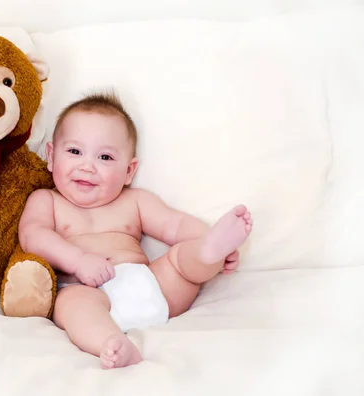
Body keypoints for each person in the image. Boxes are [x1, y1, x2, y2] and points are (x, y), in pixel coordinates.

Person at [18, 92, 253, 369]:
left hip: (153, 286)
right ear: (51, 155)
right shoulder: (47, 201)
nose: (87, 166)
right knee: (70, 305)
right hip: (88, 290)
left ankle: (208, 250)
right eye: (74, 152)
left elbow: (174, 224)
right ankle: (110, 342)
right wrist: (77, 260)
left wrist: (203, 239)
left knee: (179, 261)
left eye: (105, 157)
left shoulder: (135, 200)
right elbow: (33, 236)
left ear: (129, 171)